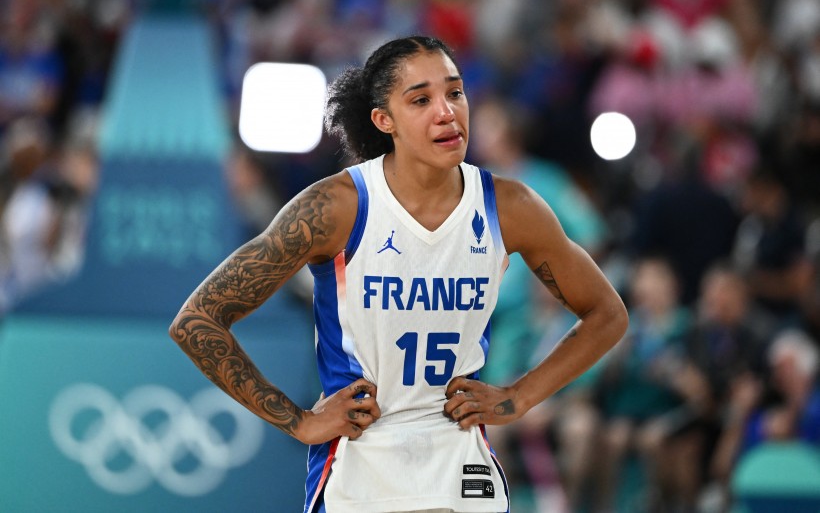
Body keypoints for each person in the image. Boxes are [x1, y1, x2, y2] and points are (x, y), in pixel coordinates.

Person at [169, 35, 627, 513]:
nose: (447, 112)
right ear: (383, 120)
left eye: (455, 92)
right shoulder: (336, 207)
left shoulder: (510, 207)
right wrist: (299, 421)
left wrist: (520, 396)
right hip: (360, 472)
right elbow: (197, 319)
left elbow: (606, 314)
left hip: (461, 472)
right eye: (421, 100)